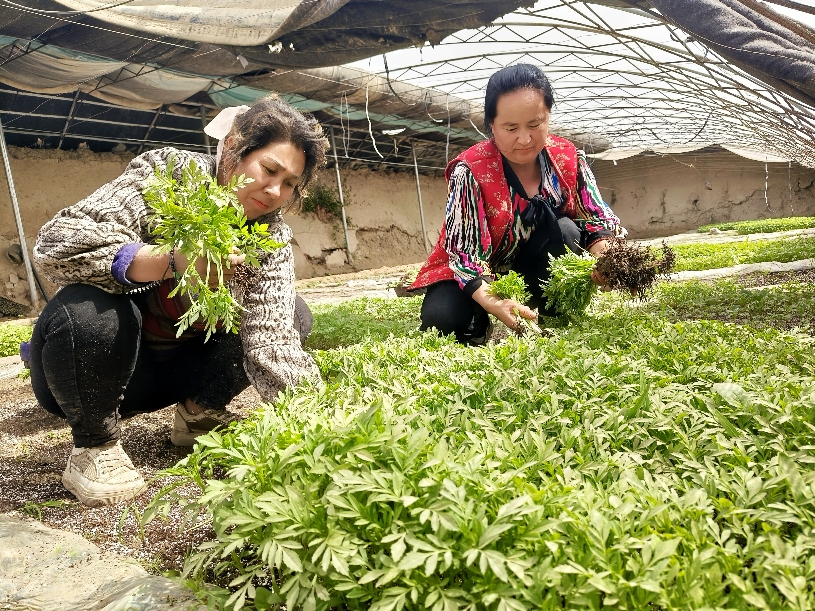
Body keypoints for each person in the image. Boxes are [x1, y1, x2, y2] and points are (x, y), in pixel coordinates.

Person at [26, 95, 328, 507]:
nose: (276, 191)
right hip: (99, 369)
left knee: (292, 313)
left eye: (290, 183)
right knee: (86, 308)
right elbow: (56, 243)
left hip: (173, 375)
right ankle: (95, 444)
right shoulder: (168, 174)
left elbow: (273, 341)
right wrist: (173, 259)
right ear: (233, 148)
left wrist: (319, 424)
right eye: (270, 169)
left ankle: (197, 412)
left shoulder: (268, 235)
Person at [409, 64, 626, 343]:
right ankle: (479, 321)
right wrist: (494, 302)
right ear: (492, 125)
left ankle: (548, 309)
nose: (524, 139)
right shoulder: (472, 171)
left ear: (548, 117)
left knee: (568, 230)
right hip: (479, 275)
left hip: (534, 266)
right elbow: (465, 255)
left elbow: (596, 219)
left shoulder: (567, 159)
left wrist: (609, 260)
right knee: (444, 319)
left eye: (535, 125)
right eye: (510, 128)